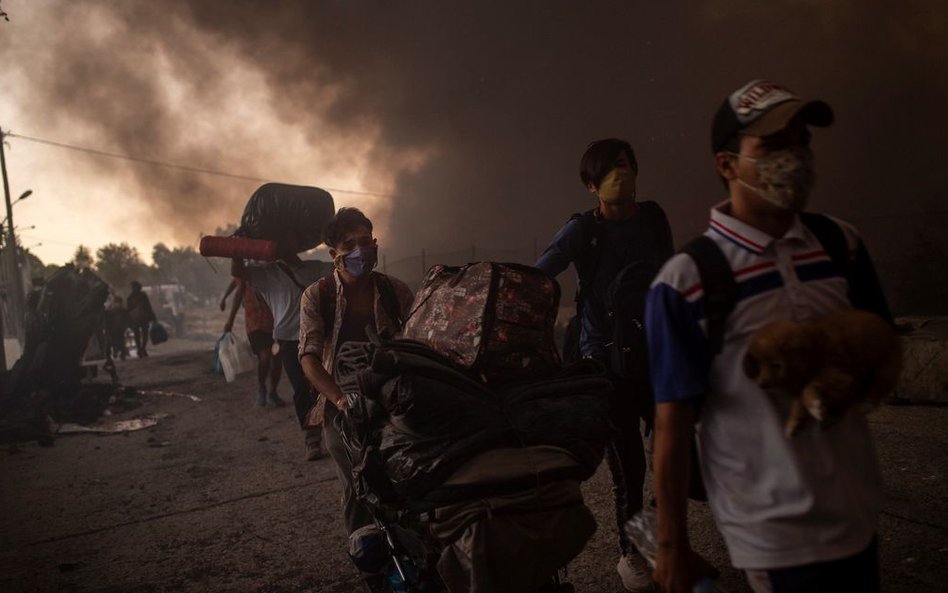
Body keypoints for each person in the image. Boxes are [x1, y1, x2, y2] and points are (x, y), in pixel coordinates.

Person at [646, 79, 892, 593]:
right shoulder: (687, 280)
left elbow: (882, 350)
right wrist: (671, 548)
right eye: (773, 146)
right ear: (727, 164)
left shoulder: (840, 244)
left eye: (802, 142)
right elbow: (672, 424)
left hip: (857, 513)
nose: (795, 157)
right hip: (773, 530)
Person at [536, 138, 674, 592]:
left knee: (676, 460)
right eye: (611, 170)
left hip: (658, 358)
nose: (622, 175)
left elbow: (671, 277)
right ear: (591, 185)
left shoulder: (653, 219)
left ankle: (659, 542)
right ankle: (634, 555)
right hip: (606, 365)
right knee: (629, 469)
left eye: (626, 165)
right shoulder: (582, 230)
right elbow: (539, 277)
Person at [298, 207, 413, 586]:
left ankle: (415, 560)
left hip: (395, 402)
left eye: (366, 241)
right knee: (360, 488)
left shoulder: (396, 292)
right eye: (350, 244)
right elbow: (310, 359)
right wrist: (339, 400)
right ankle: (375, 571)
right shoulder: (319, 296)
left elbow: (416, 346)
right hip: (342, 409)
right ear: (334, 253)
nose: (361, 250)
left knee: (411, 480)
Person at [232, 239, 331, 461]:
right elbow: (238, 271)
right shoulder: (267, 274)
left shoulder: (313, 268)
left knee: (327, 384)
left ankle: (337, 432)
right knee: (301, 389)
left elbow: (339, 268)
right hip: (289, 342)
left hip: (320, 337)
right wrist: (236, 248)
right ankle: (312, 438)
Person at [221, 277, 283, 408]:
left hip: (274, 322)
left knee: (277, 359)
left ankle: (273, 392)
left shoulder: (268, 270)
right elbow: (237, 289)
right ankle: (262, 388)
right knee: (265, 356)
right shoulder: (245, 273)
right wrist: (230, 320)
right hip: (254, 324)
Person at [126, 280, 156, 358]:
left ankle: (139, 349)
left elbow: (128, 309)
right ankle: (142, 348)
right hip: (144, 318)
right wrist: (153, 317)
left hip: (135, 318)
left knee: (137, 335)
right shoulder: (143, 295)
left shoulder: (130, 297)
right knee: (144, 333)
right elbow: (148, 307)